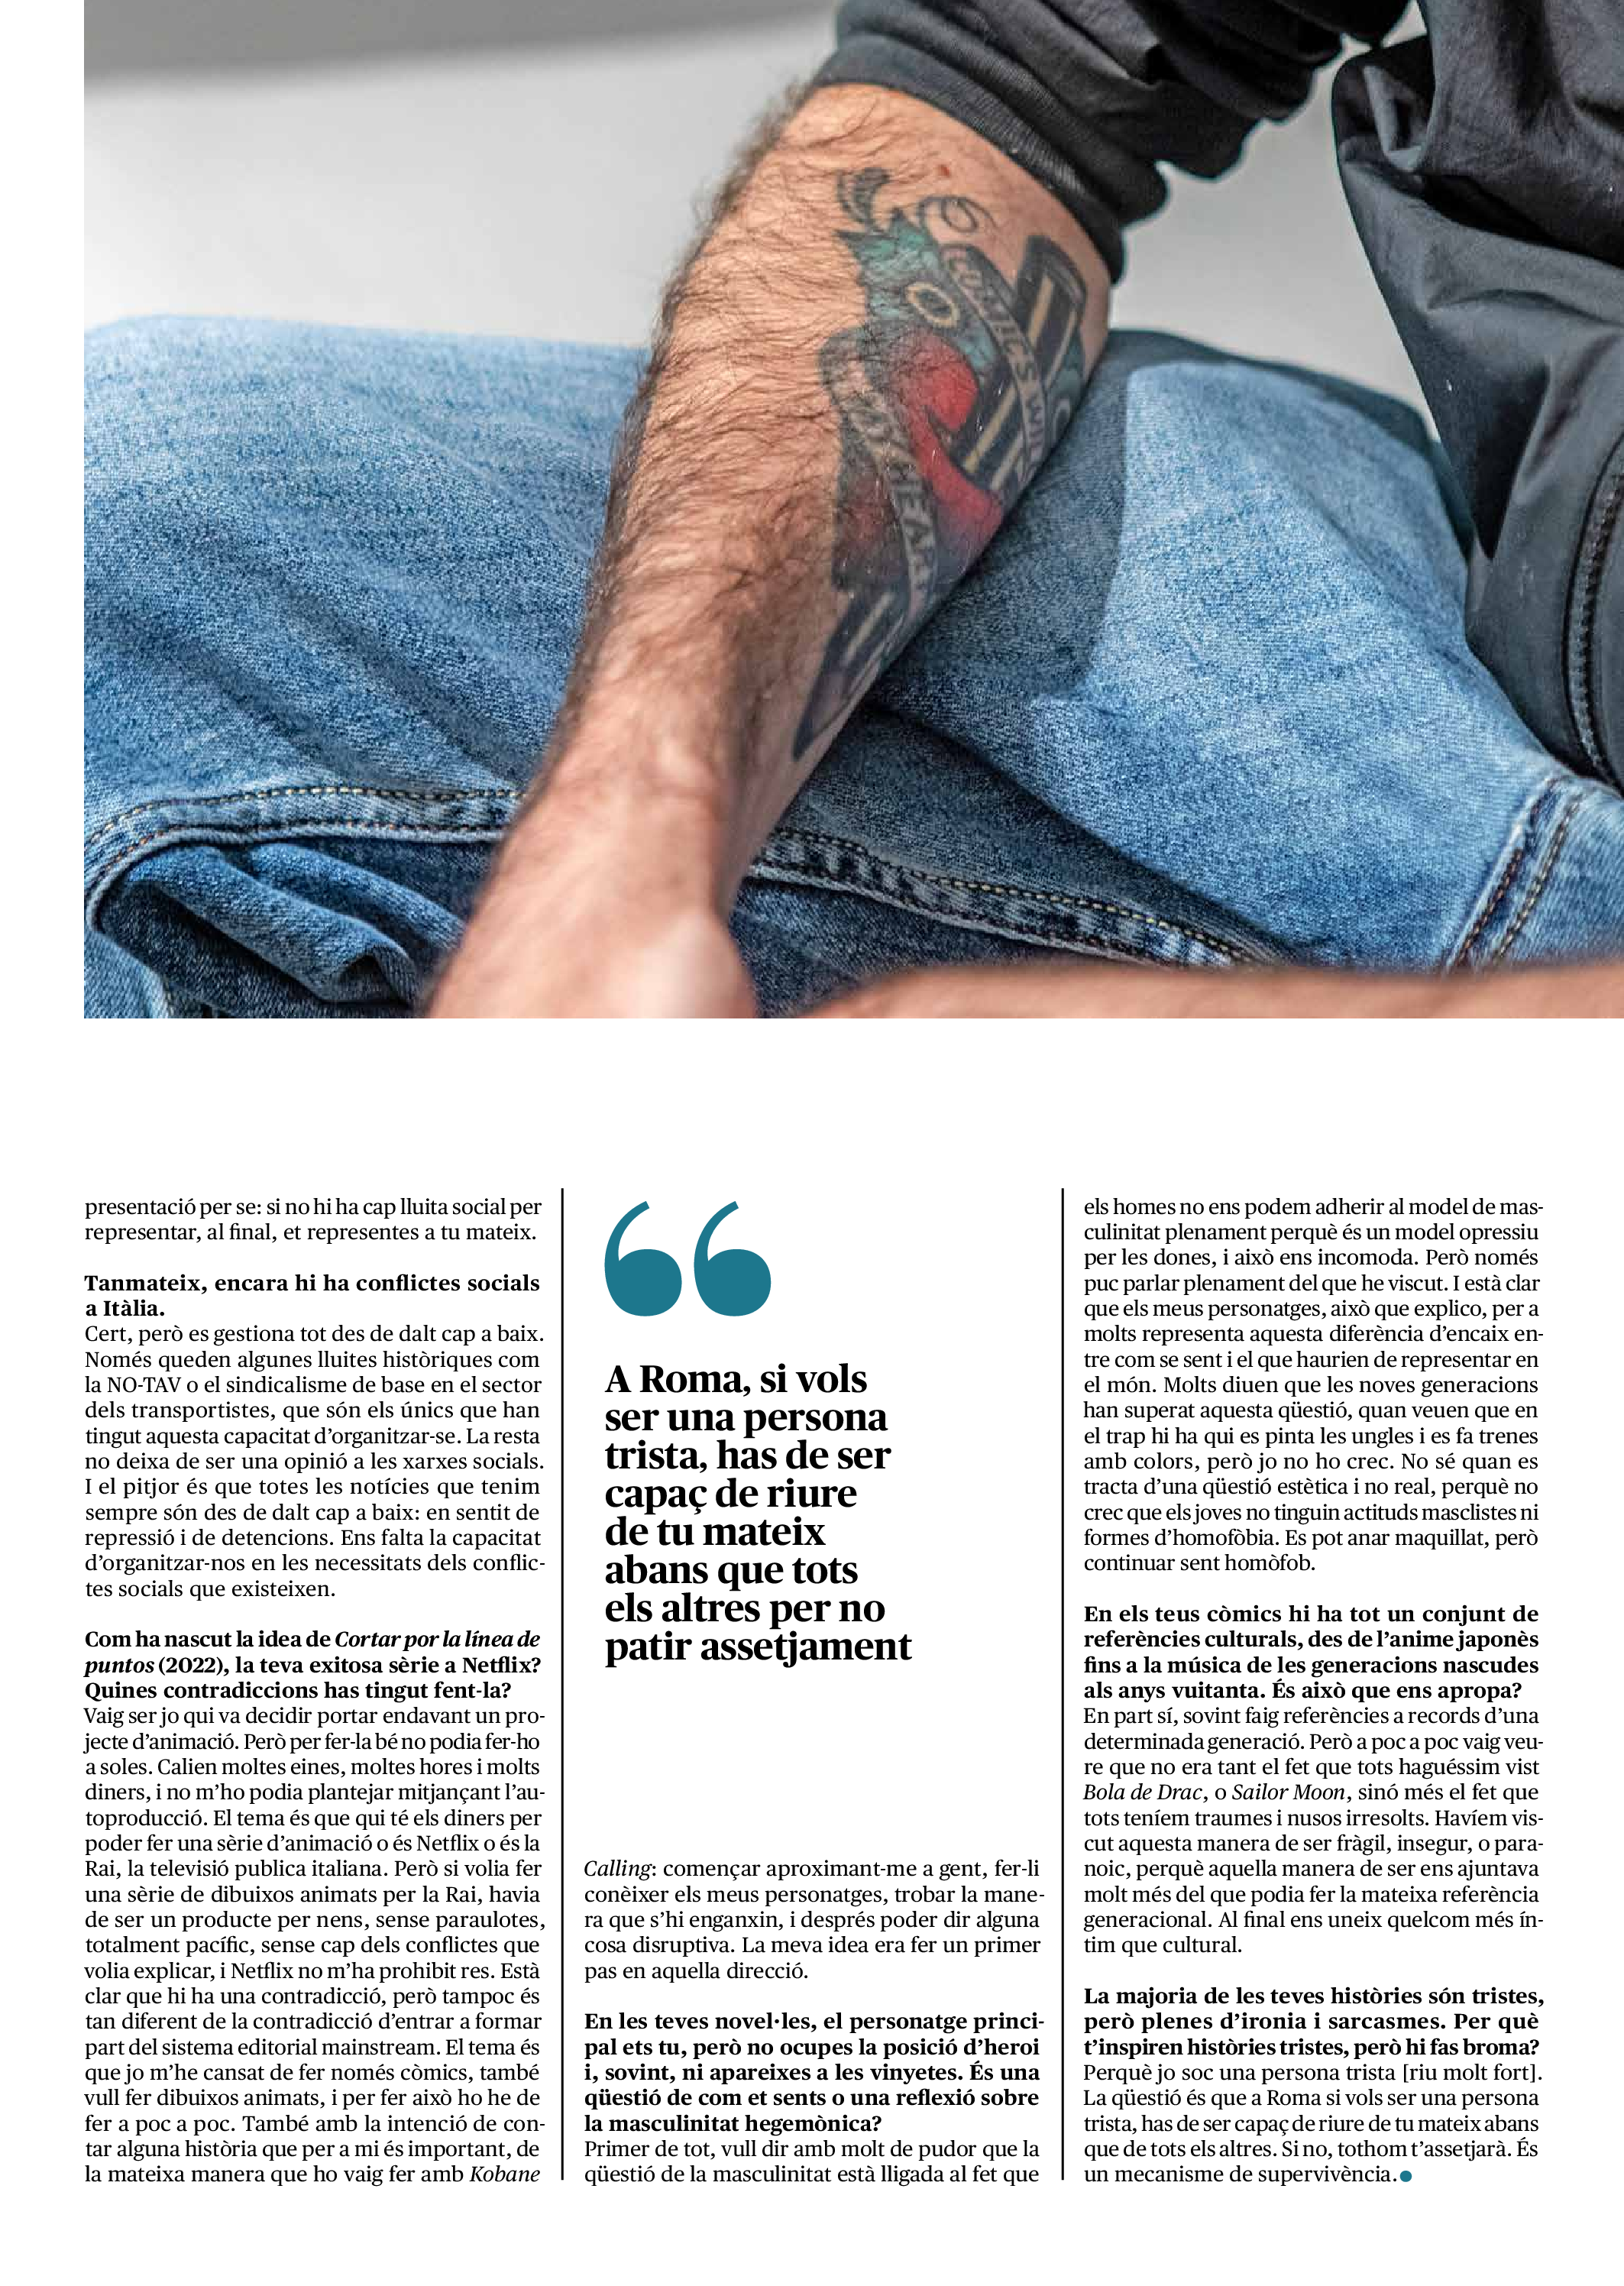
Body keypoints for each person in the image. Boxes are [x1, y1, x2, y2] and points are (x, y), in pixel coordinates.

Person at [84, 0, 1624, 1019]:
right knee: (110, 516)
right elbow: (1009, 77)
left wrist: (1273, 1060)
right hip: (1464, 639)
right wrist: (626, 836)